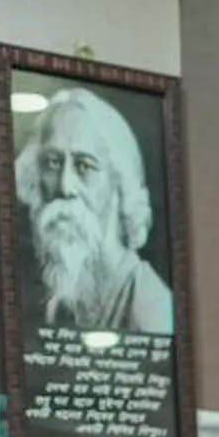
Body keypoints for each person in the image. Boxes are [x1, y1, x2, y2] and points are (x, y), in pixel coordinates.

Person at [17, 88, 174, 337]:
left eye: (84, 166)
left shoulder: (152, 310)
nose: (65, 186)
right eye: (53, 162)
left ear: (120, 184)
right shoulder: (63, 297)